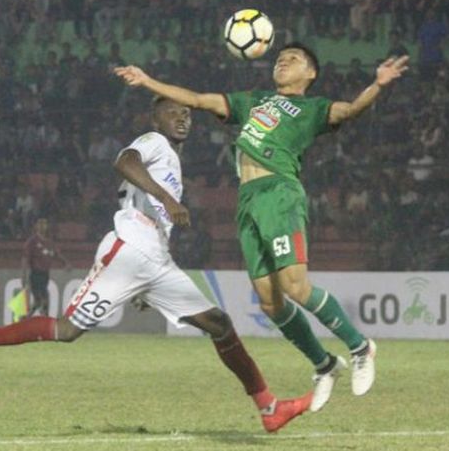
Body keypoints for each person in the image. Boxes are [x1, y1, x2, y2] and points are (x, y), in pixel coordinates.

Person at [0, 97, 312, 433]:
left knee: (219, 324)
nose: (182, 118)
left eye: (186, 114)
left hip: (156, 260)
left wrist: (147, 284)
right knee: (68, 330)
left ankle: (269, 408)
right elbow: (124, 161)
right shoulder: (154, 142)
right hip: (129, 248)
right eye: (172, 113)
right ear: (155, 119)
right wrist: (166, 197)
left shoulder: (170, 156)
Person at [115, 43, 409, 412]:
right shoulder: (254, 101)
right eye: (280, 58)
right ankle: (324, 364)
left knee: (296, 287)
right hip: (248, 200)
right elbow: (198, 99)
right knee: (271, 303)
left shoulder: (311, 109)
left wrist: (378, 84)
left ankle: (360, 345)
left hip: (278, 194)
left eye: (293, 59)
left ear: (311, 74)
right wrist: (147, 81)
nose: (283, 62)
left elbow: (350, 110)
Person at [22, 216, 71, 317]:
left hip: (45, 275)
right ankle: (44, 321)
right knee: (43, 299)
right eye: (40, 223)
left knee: (38, 302)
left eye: (44, 223)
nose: (42, 226)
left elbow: (56, 254)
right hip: (35, 274)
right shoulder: (32, 241)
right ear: (36, 226)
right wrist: (23, 275)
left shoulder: (49, 242)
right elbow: (25, 258)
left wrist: (66, 263)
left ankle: (26, 319)